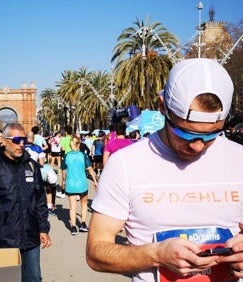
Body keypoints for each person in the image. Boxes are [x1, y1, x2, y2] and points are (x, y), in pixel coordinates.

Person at [86, 58, 243, 282]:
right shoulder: (125, 164)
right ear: (162, 108)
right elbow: (95, 253)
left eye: (211, 135)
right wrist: (156, 255)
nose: (197, 145)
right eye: (186, 133)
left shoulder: (240, 159)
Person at [0, 122, 51, 282]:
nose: (21, 143)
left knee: (34, 279)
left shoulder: (31, 166)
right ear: (3, 140)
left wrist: (43, 228)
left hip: (30, 239)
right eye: (16, 139)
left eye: (23, 139)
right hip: (0, 239)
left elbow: (40, 200)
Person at [61, 136, 97, 235]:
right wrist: (95, 181)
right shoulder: (83, 155)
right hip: (82, 183)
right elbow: (90, 169)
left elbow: (63, 172)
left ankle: (73, 227)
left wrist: (63, 183)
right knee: (84, 204)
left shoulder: (66, 156)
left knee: (72, 206)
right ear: (79, 144)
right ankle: (83, 224)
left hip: (71, 184)